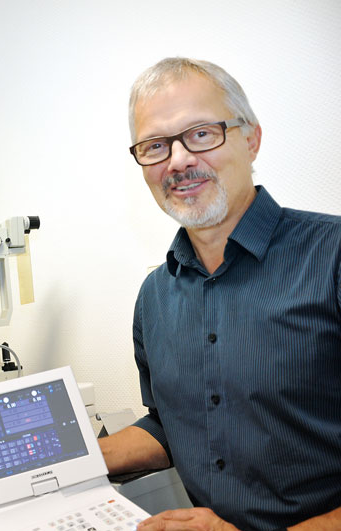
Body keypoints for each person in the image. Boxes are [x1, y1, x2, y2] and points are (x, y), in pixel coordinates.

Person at [98, 57, 341, 530]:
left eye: (202, 134)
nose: (179, 160)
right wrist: (58, 463)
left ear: (251, 139)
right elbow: (173, 425)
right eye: (155, 145)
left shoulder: (333, 258)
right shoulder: (154, 297)